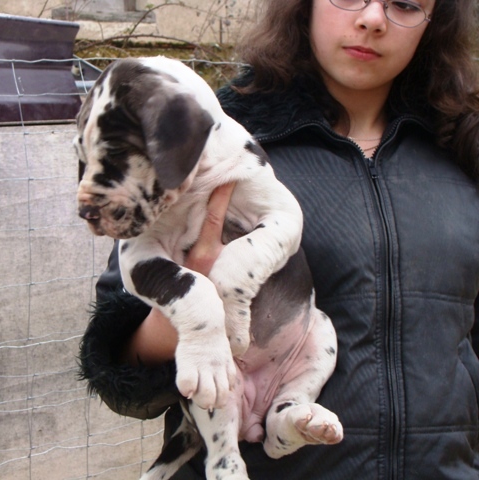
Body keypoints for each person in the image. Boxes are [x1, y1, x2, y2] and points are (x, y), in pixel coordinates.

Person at [79, 0, 479, 477]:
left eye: (405, 3)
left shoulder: (466, 148)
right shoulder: (206, 138)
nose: (373, 18)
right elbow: (120, 377)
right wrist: (192, 309)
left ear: (436, 21)